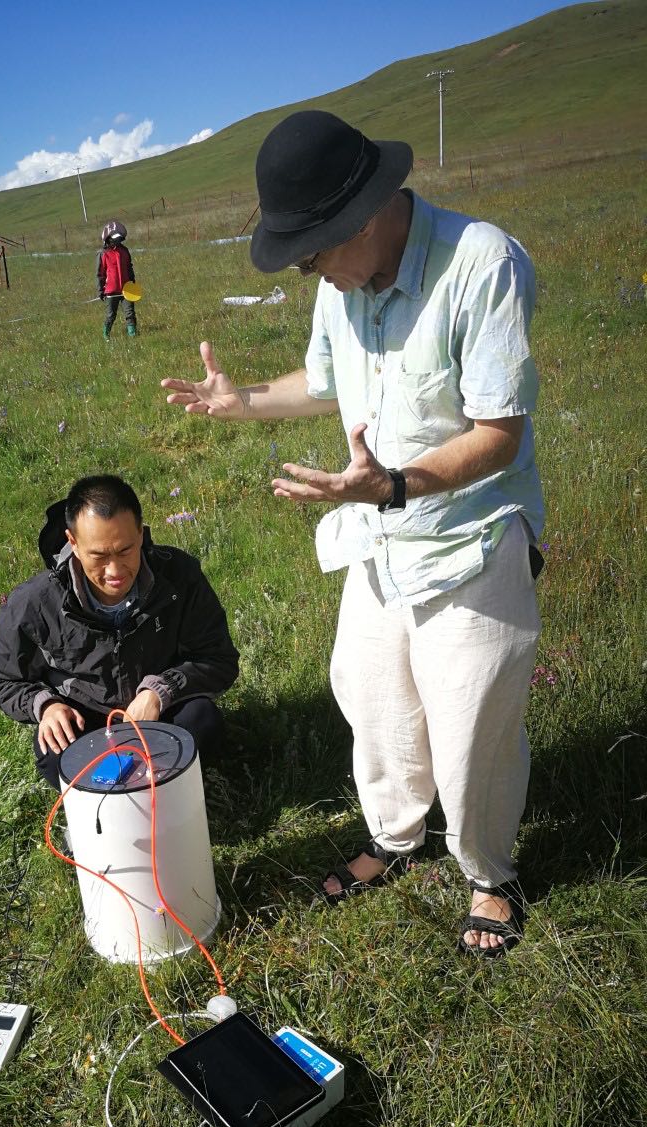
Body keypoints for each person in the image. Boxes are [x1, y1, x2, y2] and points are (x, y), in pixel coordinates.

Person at [161, 111, 544, 960]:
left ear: (363, 219)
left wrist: (399, 484)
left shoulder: (482, 264)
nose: (309, 272)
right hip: (381, 540)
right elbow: (325, 379)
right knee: (371, 699)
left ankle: (488, 871)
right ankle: (398, 837)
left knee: (472, 722)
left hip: (470, 539)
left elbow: (500, 432)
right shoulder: (342, 286)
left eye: (312, 252)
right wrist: (243, 400)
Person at [0, 474, 238, 790]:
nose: (115, 571)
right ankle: (105, 807)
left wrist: (159, 692)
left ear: (141, 533)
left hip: (159, 714)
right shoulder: (34, 603)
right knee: (53, 751)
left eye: (126, 550)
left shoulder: (179, 577)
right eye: (99, 556)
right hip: (87, 722)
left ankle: (164, 791)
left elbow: (219, 658)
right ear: (73, 543)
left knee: (202, 720)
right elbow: (1, 677)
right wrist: (46, 705)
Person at [97, 220, 138, 340]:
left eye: (119, 238)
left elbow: (129, 266)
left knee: (130, 313)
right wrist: (100, 290)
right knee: (111, 315)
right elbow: (100, 274)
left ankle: (133, 335)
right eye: (115, 238)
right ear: (108, 239)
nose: (117, 241)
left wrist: (132, 281)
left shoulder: (125, 251)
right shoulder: (103, 254)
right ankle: (106, 335)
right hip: (111, 291)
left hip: (126, 289)